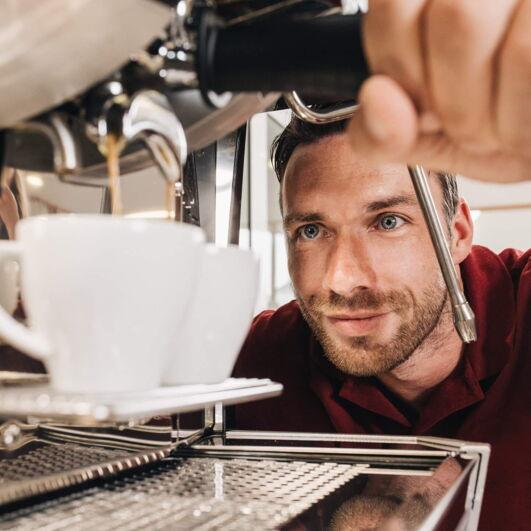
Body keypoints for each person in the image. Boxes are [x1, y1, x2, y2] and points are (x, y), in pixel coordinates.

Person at [230, 116, 530, 531]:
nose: (342, 278)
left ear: (457, 233)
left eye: (387, 221)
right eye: (312, 230)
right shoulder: (258, 358)